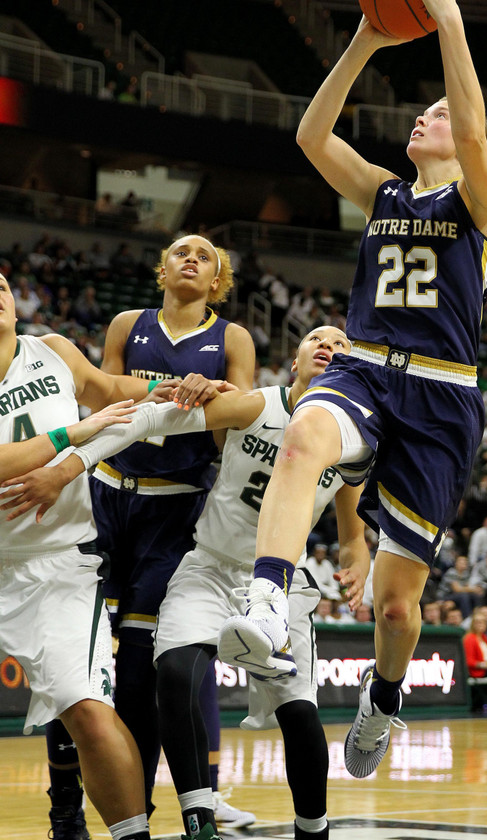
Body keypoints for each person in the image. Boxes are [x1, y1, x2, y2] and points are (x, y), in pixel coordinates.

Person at [217, 0, 487, 778]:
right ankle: (268, 600)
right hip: (366, 368)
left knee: (394, 605)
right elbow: (310, 134)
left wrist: (447, 20)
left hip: (442, 399)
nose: (425, 118)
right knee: (306, 435)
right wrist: (366, 43)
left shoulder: (479, 198)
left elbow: (476, 125)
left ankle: (384, 695)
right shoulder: (383, 191)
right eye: (420, 113)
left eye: (437, 115)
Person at [2, 326, 369, 840]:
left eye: (342, 343)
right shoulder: (253, 405)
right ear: (294, 361)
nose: (328, 344)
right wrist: (75, 463)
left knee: (299, 716)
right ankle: (199, 819)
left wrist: (359, 562)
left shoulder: (350, 442)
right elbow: (151, 416)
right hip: (209, 566)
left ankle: (314, 830)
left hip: (278, 585)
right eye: (316, 338)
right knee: (172, 674)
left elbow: (353, 534)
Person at [44, 234, 256, 833]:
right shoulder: (125, 324)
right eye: (180, 251)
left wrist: (216, 392)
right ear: (162, 269)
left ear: (218, 280)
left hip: (173, 514)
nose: (191, 258)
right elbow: (102, 406)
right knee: (72, 660)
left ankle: (136, 814)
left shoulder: (231, 338)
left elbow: (238, 428)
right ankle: (65, 813)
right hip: (105, 500)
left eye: (206, 256)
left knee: (140, 673)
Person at [0, 271, 158, 840]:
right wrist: (72, 436)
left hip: (55, 563)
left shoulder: (53, 351)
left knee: (86, 708)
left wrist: (173, 387)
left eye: (0, 283)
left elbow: (113, 392)